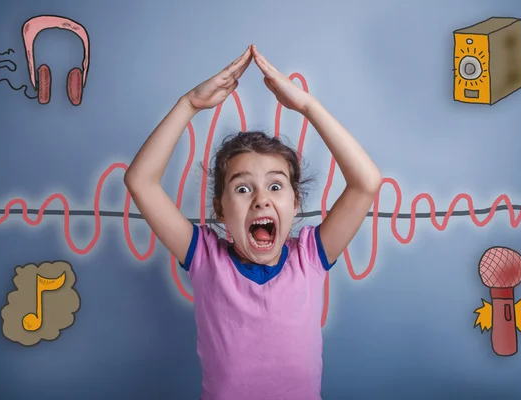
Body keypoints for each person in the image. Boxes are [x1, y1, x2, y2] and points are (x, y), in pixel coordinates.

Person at [124, 44, 382, 400]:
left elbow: (367, 182)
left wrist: (308, 106)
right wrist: (189, 105)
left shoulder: (309, 257)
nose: (261, 198)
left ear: (295, 203)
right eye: (243, 188)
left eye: (276, 186)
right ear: (220, 209)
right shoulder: (205, 258)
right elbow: (140, 182)